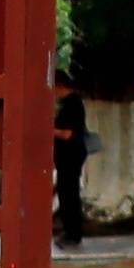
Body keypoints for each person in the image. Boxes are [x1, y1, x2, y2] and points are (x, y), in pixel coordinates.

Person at [52, 70, 89, 248]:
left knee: (70, 194)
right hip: (64, 157)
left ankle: (73, 233)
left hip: (71, 156)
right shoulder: (66, 103)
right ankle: (69, 230)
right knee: (65, 193)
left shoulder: (73, 104)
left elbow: (67, 133)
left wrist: (48, 129)